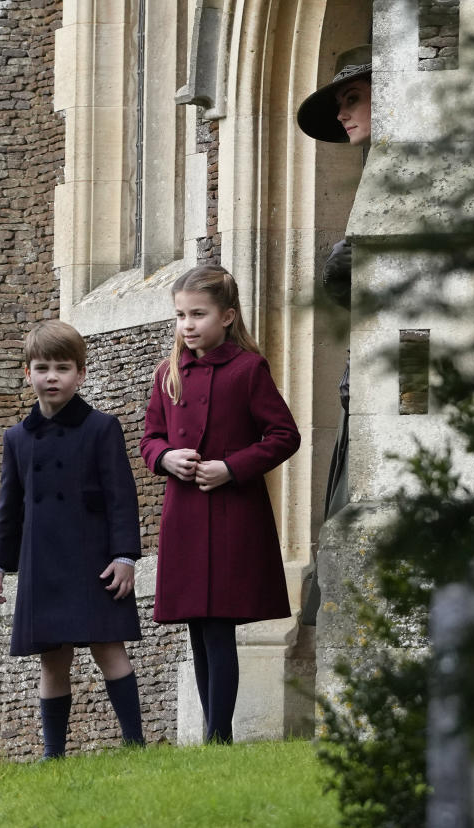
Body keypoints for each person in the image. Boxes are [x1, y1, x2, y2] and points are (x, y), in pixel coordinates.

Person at [139, 265, 301, 744]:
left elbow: (284, 435)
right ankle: (214, 734)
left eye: (198, 314)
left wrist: (231, 467)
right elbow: (150, 438)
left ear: (227, 316)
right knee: (198, 622)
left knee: (219, 625)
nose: (187, 325)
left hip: (233, 514)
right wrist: (167, 458)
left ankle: (218, 733)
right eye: (180, 315)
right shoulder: (168, 373)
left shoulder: (249, 369)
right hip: (185, 514)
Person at [0, 320, 145, 758]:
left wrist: (125, 556)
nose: (51, 377)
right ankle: (53, 756)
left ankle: (136, 746)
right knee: (52, 660)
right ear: (27, 374)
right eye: (42, 368)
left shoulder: (102, 428)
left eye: (62, 367)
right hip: (43, 563)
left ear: (81, 373)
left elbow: (121, 498)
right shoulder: (17, 438)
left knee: (109, 649)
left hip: (95, 559)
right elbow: (8, 509)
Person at [295, 45, 372, 623]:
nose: (344, 113)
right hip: (362, 393)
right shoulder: (372, 179)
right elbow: (340, 279)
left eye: (353, 99)